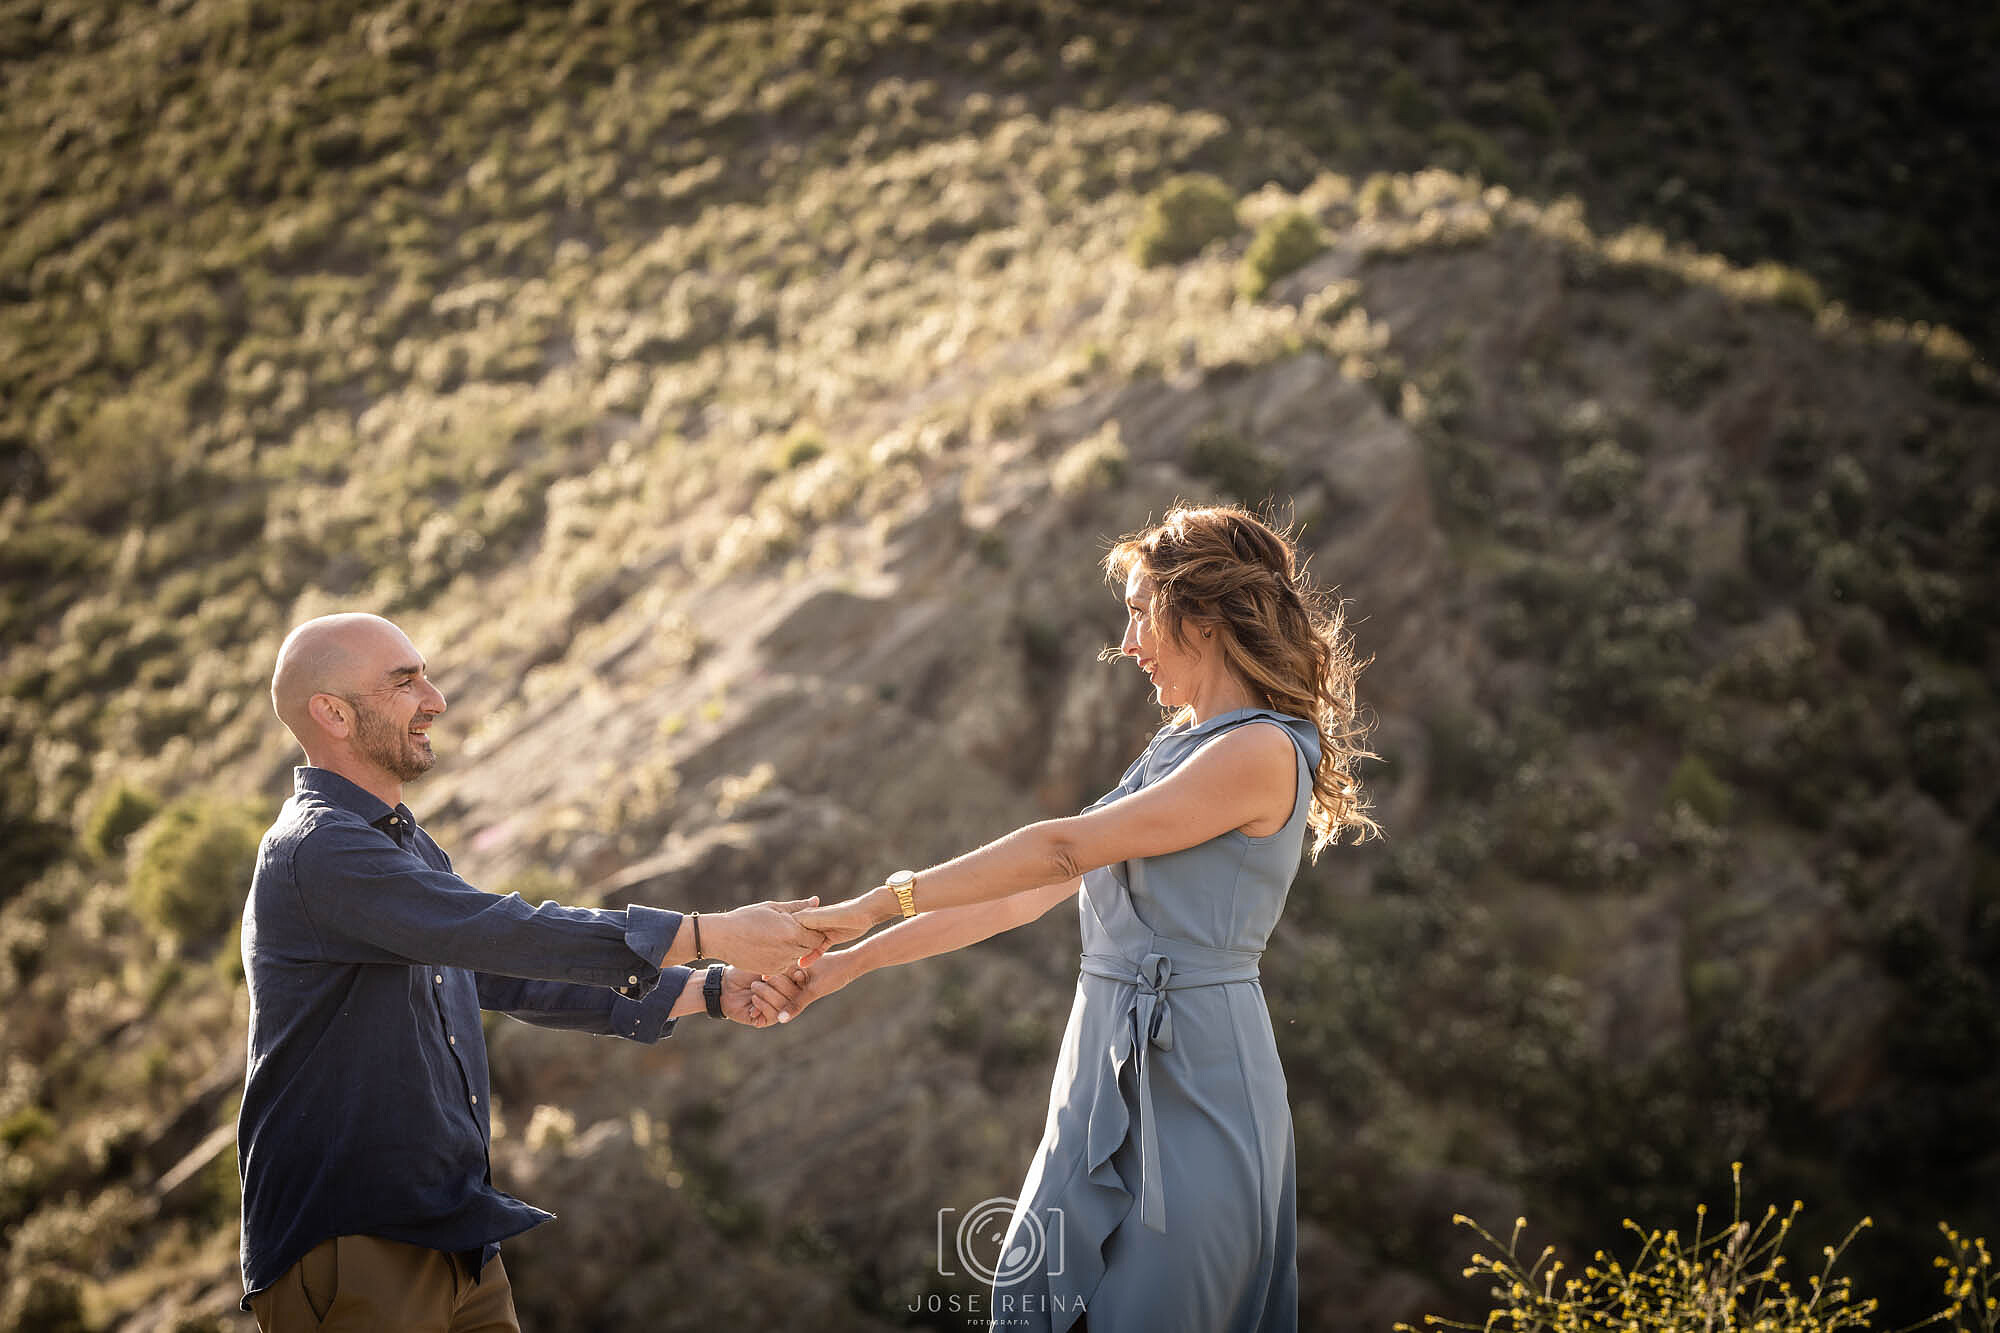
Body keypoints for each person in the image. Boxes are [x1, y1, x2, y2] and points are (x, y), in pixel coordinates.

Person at [787, 504, 1379, 1333]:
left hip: (1199, 1083)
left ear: (1203, 616)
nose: (1128, 643)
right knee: (1028, 1304)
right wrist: (854, 960)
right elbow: (1019, 894)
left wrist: (880, 900)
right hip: (1100, 1066)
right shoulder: (1174, 746)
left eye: (1141, 613)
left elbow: (1061, 851)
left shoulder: (1261, 751)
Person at [238, 612, 819, 1332]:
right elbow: (504, 933)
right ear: (333, 713)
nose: (436, 700)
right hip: (354, 1244)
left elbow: (504, 975)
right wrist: (705, 933)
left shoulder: (400, 845)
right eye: (405, 682)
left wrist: (712, 989)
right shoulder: (318, 851)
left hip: (455, 1237)